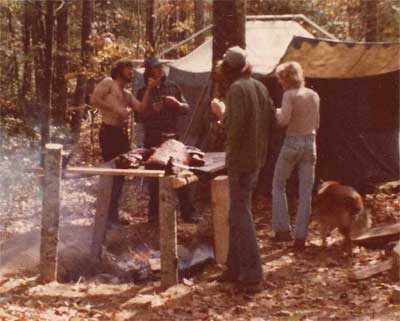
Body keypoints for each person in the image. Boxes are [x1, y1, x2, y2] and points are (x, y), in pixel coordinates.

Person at [210, 46, 275, 293]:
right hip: (256, 159)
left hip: (241, 160)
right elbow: (272, 118)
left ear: (226, 69)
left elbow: (233, 129)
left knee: (240, 214)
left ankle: (251, 274)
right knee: (235, 214)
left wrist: (220, 113)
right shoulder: (259, 86)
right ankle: (234, 268)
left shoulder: (237, 89)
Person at [91, 58, 156, 226]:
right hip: (109, 132)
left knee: (120, 175)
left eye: (132, 70)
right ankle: (105, 215)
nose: (131, 72)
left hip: (121, 135)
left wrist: (149, 89)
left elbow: (141, 108)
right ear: (120, 70)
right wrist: (114, 109)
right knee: (112, 173)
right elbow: (94, 99)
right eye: (129, 69)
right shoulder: (108, 83)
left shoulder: (126, 94)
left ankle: (112, 213)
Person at [136, 56, 198, 225]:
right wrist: (152, 109)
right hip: (153, 139)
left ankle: (188, 213)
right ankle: (155, 216)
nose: (159, 70)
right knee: (155, 178)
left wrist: (177, 104)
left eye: (160, 67)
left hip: (173, 137)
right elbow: (139, 116)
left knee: (181, 174)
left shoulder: (172, 86)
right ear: (149, 71)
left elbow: (187, 109)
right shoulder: (142, 91)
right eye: (156, 68)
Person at [271, 61, 320, 250]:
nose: (280, 83)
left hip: (292, 142)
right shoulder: (314, 95)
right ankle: (301, 238)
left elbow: (283, 121)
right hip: (310, 143)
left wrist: (275, 113)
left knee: (278, 184)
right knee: (305, 193)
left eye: (280, 79)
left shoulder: (289, 95)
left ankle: (282, 230)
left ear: (286, 78)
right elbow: (316, 124)